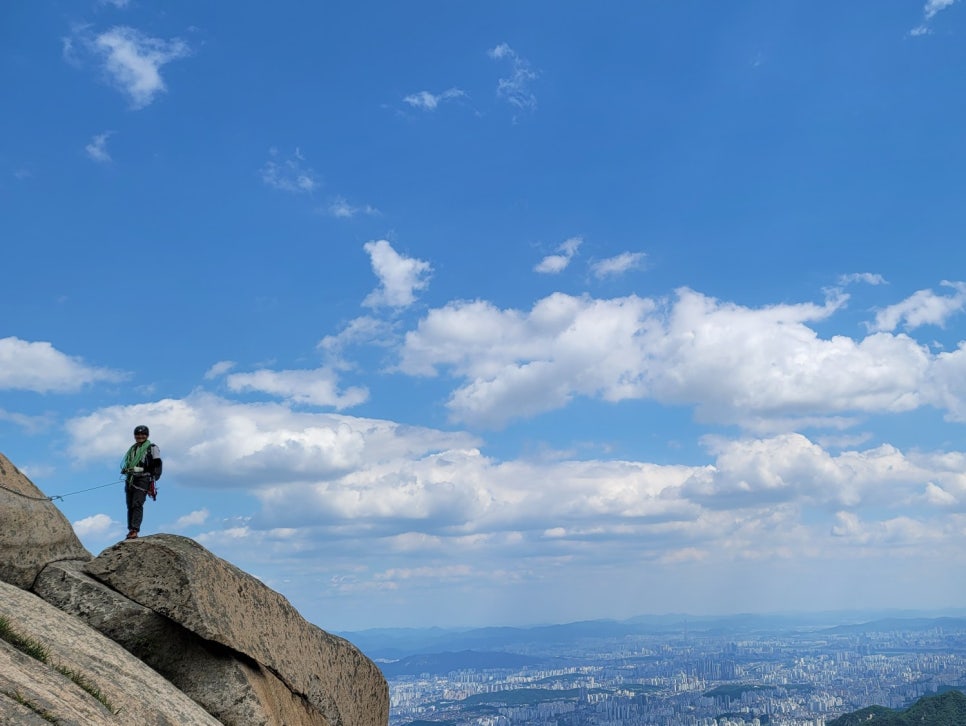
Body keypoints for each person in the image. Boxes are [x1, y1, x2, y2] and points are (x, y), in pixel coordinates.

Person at [121, 424, 162, 540]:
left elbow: (157, 464)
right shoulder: (133, 449)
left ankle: (135, 529)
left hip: (144, 478)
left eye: (142, 434)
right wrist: (127, 470)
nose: (140, 436)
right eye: (138, 434)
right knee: (130, 505)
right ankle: (130, 529)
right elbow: (129, 461)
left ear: (147, 435)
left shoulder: (152, 448)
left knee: (137, 503)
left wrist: (153, 479)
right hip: (131, 478)